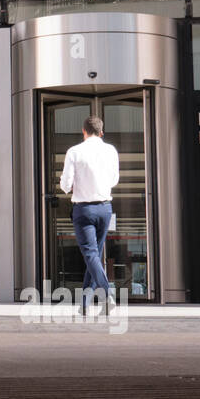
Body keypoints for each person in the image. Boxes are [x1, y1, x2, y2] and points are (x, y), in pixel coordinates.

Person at [59, 114, 120, 313]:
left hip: (83, 209)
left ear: (84, 132)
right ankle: (84, 304)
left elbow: (66, 186)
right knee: (93, 256)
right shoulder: (111, 150)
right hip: (104, 208)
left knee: (90, 254)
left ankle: (107, 292)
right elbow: (114, 180)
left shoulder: (74, 152)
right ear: (101, 132)